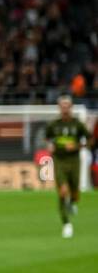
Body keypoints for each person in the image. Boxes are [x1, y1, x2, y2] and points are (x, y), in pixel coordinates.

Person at [44, 95, 89, 238]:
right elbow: (47, 138)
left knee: (75, 190)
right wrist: (50, 145)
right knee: (63, 191)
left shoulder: (77, 125)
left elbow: (91, 140)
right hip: (59, 160)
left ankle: (73, 202)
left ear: (71, 108)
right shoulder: (54, 125)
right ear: (59, 108)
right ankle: (66, 224)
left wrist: (77, 145)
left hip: (74, 160)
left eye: (67, 106)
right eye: (62, 106)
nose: (64, 109)